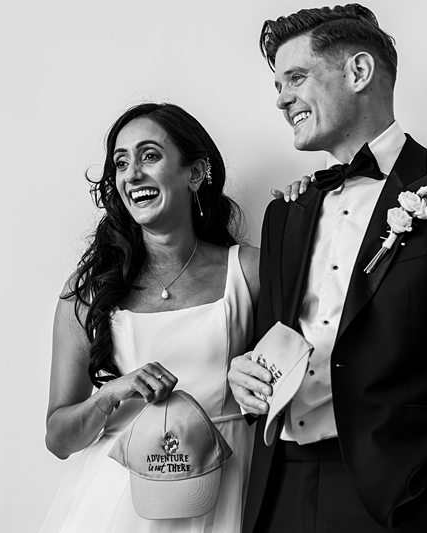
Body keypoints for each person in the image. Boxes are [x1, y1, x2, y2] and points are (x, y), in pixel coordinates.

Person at [227, 4, 427, 533]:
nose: (281, 99)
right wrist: (245, 373)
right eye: (277, 84)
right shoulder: (284, 214)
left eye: (296, 77)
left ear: (358, 72)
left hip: (403, 495)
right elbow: (275, 338)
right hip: (282, 490)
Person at [40, 102, 263, 533]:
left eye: (149, 156)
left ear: (194, 173)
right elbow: (58, 440)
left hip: (232, 487)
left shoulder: (250, 271)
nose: (131, 174)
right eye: (121, 162)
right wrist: (111, 394)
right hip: (120, 502)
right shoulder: (90, 291)